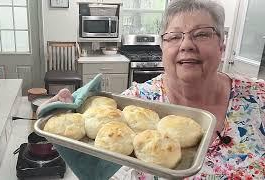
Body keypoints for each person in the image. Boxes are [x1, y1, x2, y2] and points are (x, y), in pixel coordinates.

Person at [38, 0, 265, 179]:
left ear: (222, 46)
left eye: (202, 34)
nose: (186, 44)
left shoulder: (259, 98)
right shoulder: (132, 107)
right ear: (162, 48)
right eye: (174, 36)